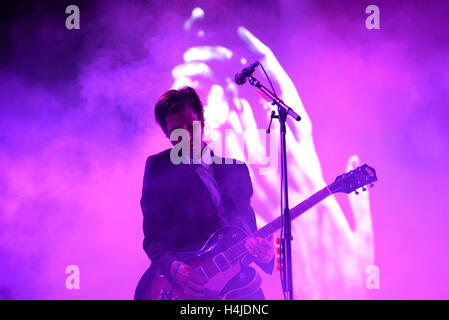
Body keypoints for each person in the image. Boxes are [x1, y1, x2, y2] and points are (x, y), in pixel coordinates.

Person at [134, 86, 274, 300]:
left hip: (235, 283)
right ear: (167, 134)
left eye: (191, 126)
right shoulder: (158, 168)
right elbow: (152, 238)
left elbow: (246, 232)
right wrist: (175, 268)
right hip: (187, 288)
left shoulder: (236, 169)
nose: (187, 136)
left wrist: (263, 253)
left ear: (202, 121)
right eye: (176, 132)